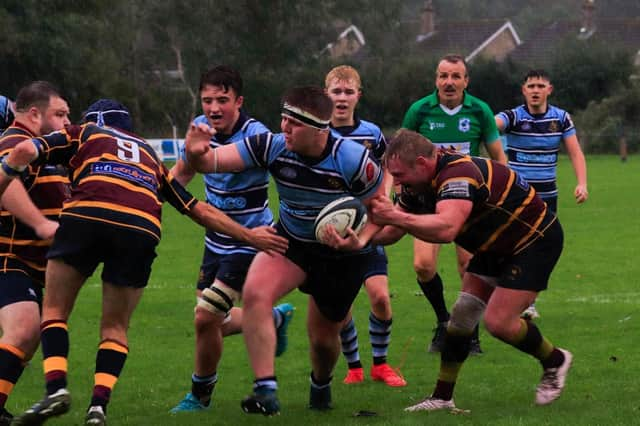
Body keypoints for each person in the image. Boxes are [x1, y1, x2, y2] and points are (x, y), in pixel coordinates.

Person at [1, 99, 288, 426]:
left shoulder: (84, 133)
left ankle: (55, 389)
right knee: (115, 327)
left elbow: (23, 150)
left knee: (53, 312)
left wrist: (5, 175)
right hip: (141, 228)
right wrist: (250, 236)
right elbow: (196, 207)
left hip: (87, 215)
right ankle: (98, 407)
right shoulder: (150, 156)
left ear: (92, 121)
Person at [185, 86, 385, 415]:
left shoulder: (351, 159)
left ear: (320, 128)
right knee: (255, 294)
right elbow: (212, 161)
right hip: (290, 242)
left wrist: (359, 240)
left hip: (341, 257)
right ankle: (266, 390)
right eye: (283, 119)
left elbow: (380, 211)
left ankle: (320, 384)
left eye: (294, 123)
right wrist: (195, 152)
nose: (284, 128)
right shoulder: (273, 146)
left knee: (322, 341)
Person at [367, 129, 572, 411]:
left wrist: (395, 215)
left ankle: (556, 360)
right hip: (495, 245)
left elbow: (447, 228)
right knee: (463, 314)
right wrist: (356, 241)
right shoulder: (418, 185)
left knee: (499, 323)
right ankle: (442, 397)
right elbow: (391, 231)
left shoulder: (458, 174)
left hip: (532, 242)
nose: (396, 184)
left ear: (423, 164)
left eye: (399, 175)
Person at [169, 65, 294, 413]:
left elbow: (289, 175)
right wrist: (146, 198)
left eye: (222, 100)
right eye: (207, 100)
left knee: (205, 316)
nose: (213, 108)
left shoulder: (257, 136)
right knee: (214, 323)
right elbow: (179, 175)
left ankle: (199, 395)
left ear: (238, 101)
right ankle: (273, 319)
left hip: (252, 243)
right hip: (215, 243)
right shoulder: (199, 129)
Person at [401, 53, 506, 354]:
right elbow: (400, 155)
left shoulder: (479, 110)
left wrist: (499, 194)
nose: (448, 82)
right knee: (423, 266)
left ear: (466, 81)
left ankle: (467, 331)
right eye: (443, 76)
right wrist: (399, 189)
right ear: (436, 79)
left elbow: (498, 158)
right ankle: (443, 320)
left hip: (467, 198)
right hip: (425, 200)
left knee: (469, 267)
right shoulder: (419, 111)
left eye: (455, 76)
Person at [324, 65, 405, 387]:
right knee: (341, 307)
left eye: (348, 92)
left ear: (359, 95)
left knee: (380, 298)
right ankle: (355, 366)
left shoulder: (371, 133)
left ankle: (381, 365)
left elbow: (389, 166)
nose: (342, 98)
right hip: (331, 232)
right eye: (336, 92)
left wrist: (385, 194)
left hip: (368, 227)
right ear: (326, 94)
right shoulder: (318, 133)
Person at [0, 82, 70, 426]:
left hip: (34, 264)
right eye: (60, 114)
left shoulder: (49, 151)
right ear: (33, 115)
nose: (66, 121)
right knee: (25, 330)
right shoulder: (15, 142)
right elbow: (5, 184)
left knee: (25, 342)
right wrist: (41, 224)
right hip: (8, 256)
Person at [495, 69, 588, 319]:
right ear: (524, 90)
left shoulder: (561, 118)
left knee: (539, 250)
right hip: (516, 196)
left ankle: (528, 302)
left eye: (540, 85)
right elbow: (493, 125)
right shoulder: (514, 116)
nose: (535, 90)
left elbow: (576, 153)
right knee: (513, 246)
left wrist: (582, 183)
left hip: (547, 197)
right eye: (531, 86)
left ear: (549, 90)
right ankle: (511, 297)